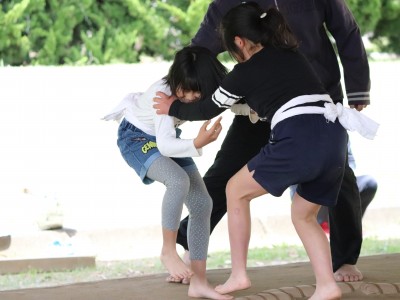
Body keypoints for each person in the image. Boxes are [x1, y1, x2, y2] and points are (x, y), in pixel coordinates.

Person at [153, 3, 378, 298]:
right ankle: (325, 285)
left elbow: (209, 107)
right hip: (322, 130)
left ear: (237, 42)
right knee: (301, 212)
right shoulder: (291, 53)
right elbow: (199, 51)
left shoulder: (242, 74)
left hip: (304, 122)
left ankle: (240, 274)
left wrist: (174, 106)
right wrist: (179, 83)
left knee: (237, 189)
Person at [103, 46, 233, 300]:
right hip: (138, 137)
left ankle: (198, 282)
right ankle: (167, 251)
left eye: (196, 91)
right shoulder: (163, 94)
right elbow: (164, 145)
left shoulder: (203, 92)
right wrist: (197, 143)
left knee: (203, 203)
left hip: (169, 138)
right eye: (183, 89)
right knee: (177, 180)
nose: (188, 96)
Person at [290, 142, 378, 234]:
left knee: (369, 183)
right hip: (309, 194)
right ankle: (325, 225)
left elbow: (350, 162)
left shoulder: (339, 129)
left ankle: (347, 228)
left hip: (338, 185)